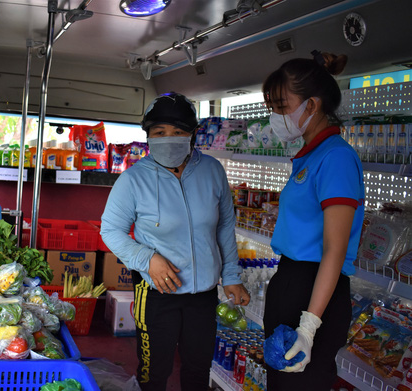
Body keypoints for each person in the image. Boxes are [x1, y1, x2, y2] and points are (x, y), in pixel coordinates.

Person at [100, 92, 250, 391]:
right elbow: (111, 230)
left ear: (192, 134)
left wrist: (231, 276)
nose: (169, 138)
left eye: (178, 132)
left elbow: (224, 227)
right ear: (149, 136)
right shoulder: (133, 180)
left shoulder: (212, 171)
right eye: (160, 132)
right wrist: (147, 259)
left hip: (204, 294)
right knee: (155, 371)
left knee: (197, 369)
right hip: (157, 293)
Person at [261, 51, 365, 391]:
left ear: (312, 105)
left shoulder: (336, 158)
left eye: (281, 107)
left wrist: (308, 327)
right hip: (292, 279)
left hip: (314, 290)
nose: (276, 117)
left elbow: (334, 250)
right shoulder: (311, 155)